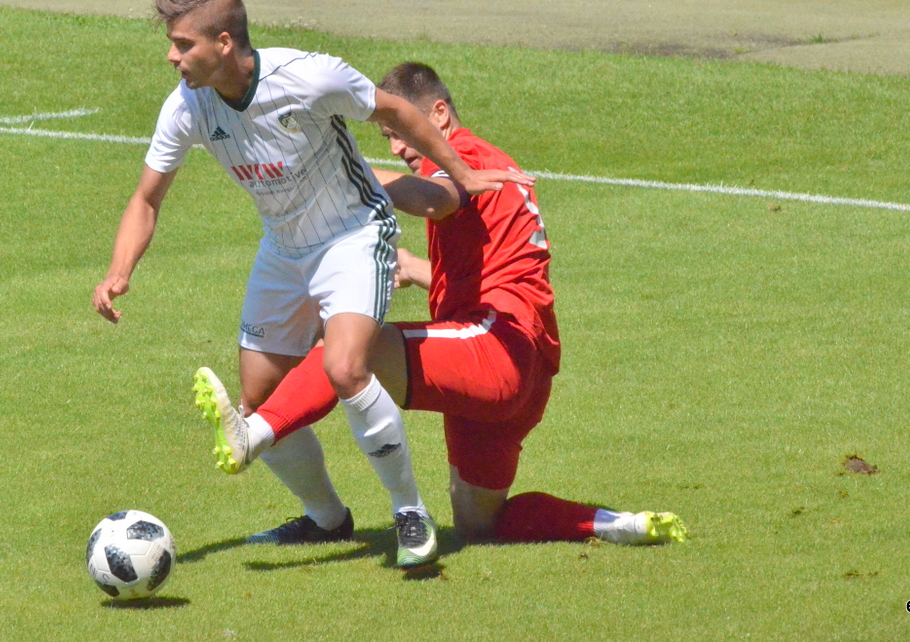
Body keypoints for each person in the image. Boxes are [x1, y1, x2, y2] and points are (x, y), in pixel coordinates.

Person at [92, 0, 531, 568]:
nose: (172, 56)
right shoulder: (186, 105)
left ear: (224, 42)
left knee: (345, 366)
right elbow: (147, 198)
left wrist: (463, 173)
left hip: (353, 234)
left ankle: (410, 513)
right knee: (260, 397)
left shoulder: (308, 76)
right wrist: (120, 271)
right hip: (283, 249)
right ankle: (327, 519)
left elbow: (397, 108)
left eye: (181, 44)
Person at [193, 62, 688, 546]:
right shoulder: (494, 164)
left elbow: (435, 201)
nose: (398, 146)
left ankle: (254, 433)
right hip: (527, 366)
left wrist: (341, 173)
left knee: (349, 353)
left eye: (402, 129)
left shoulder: (464, 157)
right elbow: (498, 271)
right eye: (386, 135)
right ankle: (619, 524)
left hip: (494, 351)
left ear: (440, 114)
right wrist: (416, 268)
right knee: (478, 522)